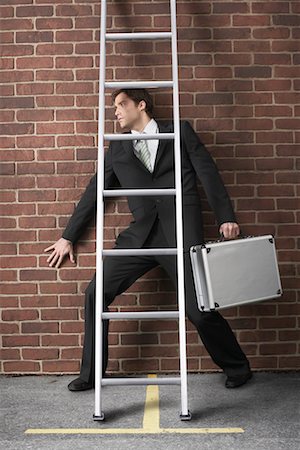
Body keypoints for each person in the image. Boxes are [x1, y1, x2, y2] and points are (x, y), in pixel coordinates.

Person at [44, 88, 252, 392]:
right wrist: (68, 236)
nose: (115, 111)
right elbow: (95, 191)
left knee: (199, 309)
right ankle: (90, 375)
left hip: (180, 233)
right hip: (140, 237)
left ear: (141, 105)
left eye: (120, 104)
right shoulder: (117, 148)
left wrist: (226, 217)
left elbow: (208, 173)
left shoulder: (178, 132)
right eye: (113, 106)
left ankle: (238, 367)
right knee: (94, 293)